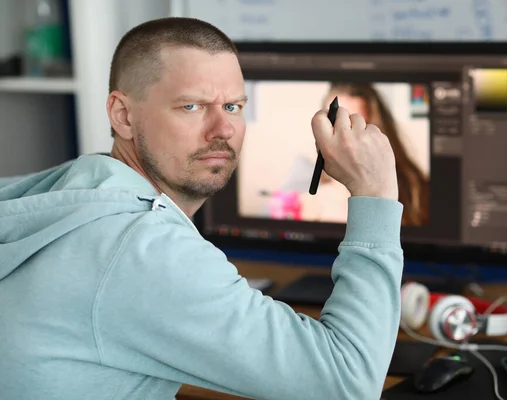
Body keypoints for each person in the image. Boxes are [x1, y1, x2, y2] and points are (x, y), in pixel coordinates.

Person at [0, 17, 403, 400]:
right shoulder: (141, 248)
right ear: (122, 116)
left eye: (233, 107)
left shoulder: (66, 189)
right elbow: (347, 383)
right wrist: (376, 193)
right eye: (191, 106)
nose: (223, 129)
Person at [323, 82, 430, 226]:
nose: (346, 141)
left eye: (357, 127)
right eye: (336, 125)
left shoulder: (415, 190)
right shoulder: (308, 197)